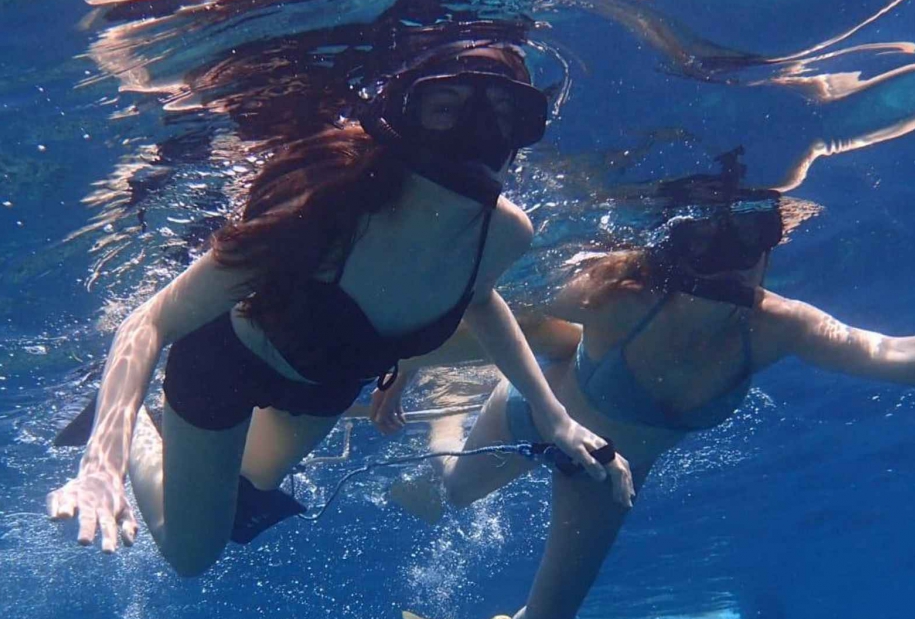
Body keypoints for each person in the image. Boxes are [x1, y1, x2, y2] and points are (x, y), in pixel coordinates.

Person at [378, 151, 915, 619]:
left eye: (754, 236)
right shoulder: (614, 292)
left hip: (606, 475)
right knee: (442, 493)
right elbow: (475, 304)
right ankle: (443, 433)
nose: (735, 258)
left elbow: (900, 356)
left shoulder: (780, 326)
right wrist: (401, 366)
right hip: (534, 409)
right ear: (678, 243)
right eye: (715, 239)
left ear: (772, 244)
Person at [48, 41, 633, 576]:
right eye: (446, 107)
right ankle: (135, 426)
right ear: (403, 115)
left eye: (503, 113)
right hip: (224, 366)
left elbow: (480, 299)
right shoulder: (323, 210)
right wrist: (102, 463)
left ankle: (159, 425)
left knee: (247, 490)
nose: (477, 133)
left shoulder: (504, 234)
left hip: (326, 386)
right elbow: (148, 320)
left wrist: (553, 415)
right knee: (192, 553)